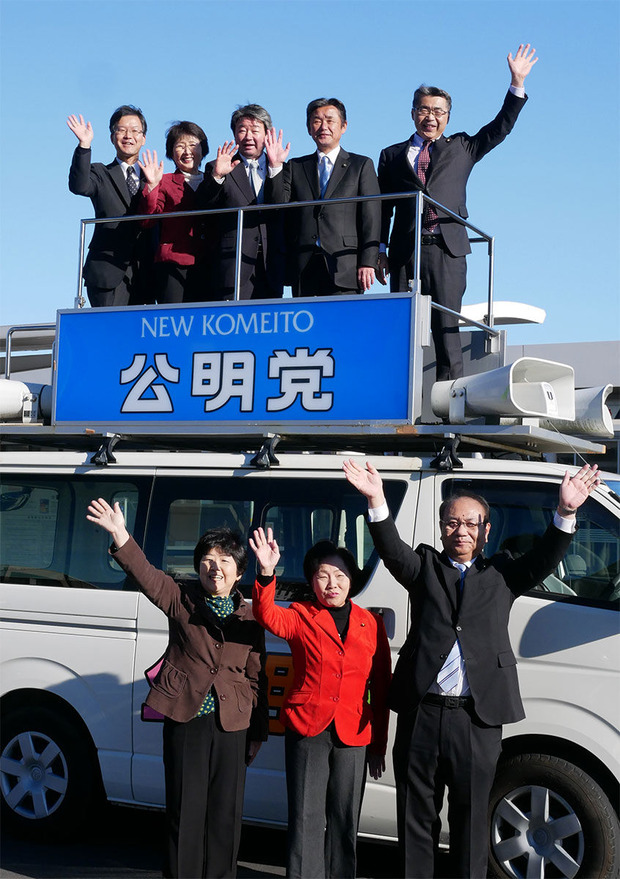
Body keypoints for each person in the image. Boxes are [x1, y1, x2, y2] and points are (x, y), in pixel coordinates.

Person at [343, 458, 600, 878]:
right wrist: (375, 499)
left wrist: (566, 512)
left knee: (471, 818)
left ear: (485, 530)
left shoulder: (502, 573)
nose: (460, 530)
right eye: (451, 522)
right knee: (415, 817)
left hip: (476, 718)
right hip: (421, 712)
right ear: (441, 527)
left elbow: (545, 558)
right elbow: (391, 550)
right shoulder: (424, 567)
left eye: (470, 523)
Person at [86, 498, 268, 879]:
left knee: (225, 816)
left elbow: (256, 676)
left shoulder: (252, 617)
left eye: (223, 560)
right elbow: (147, 575)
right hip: (187, 719)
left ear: (238, 573)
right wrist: (121, 535)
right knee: (184, 813)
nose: (213, 567)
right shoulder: (181, 599)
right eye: (206, 559)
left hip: (232, 724)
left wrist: (257, 732)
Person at [375, 45, 538, 381]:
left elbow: (500, 128)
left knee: (447, 328)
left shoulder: (463, 146)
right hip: (406, 249)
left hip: (446, 249)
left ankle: (448, 405)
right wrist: (379, 249)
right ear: (412, 113)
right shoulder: (391, 155)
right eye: (423, 109)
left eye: (437, 111)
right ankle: (396, 396)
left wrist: (516, 84)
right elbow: (383, 208)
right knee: (399, 327)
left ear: (447, 116)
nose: (430, 116)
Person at [249, 526, 391, 878]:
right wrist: (266, 573)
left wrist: (378, 744)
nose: (332, 584)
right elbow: (266, 615)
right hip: (308, 726)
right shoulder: (300, 615)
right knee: (305, 817)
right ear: (311, 581)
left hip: (354, 730)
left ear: (351, 579)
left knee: (345, 819)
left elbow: (382, 686)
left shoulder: (370, 623)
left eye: (340, 575)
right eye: (322, 576)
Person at [264, 98, 381, 296]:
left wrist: (368, 261)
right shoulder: (295, 166)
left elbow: (371, 216)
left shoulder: (361, 165)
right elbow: (277, 206)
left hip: (344, 264)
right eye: (316, 121)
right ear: (309, 128)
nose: (323, 126)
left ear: (343, 126)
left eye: (330, 120)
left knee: (341, 325)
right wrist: (275, 167)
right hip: (304, 264)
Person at [67, 105, 154, 307]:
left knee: (140, 337)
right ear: (112, 137)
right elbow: (79, 185)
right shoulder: (100, 172)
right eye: (121, 130)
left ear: (143, 138)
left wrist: (154, 184)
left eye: (134, 131)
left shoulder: (153, 175)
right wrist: (84, 145)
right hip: (106, 272)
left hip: (146, 272)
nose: (128, 136)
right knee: (109, 334)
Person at [197, 104, 285, 300]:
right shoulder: (219, 166)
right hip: (233, 263)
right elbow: (203, 207)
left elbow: (280, 209)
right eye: (242, 130)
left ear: (267, 134)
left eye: (255, 130)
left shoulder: (282, 168)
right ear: (235, 135)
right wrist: (217, 176)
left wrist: (276, 168)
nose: (248, 137)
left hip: (270, 264)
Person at [138, 121, 216, 303]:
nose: (187, 151)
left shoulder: (214, 180)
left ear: (203, 150)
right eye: (180, 146)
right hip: (172, 264)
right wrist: (152, 185)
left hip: (208, 263)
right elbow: (147, 220)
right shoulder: (164, 181)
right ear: (171, 153)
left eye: (193, 145)